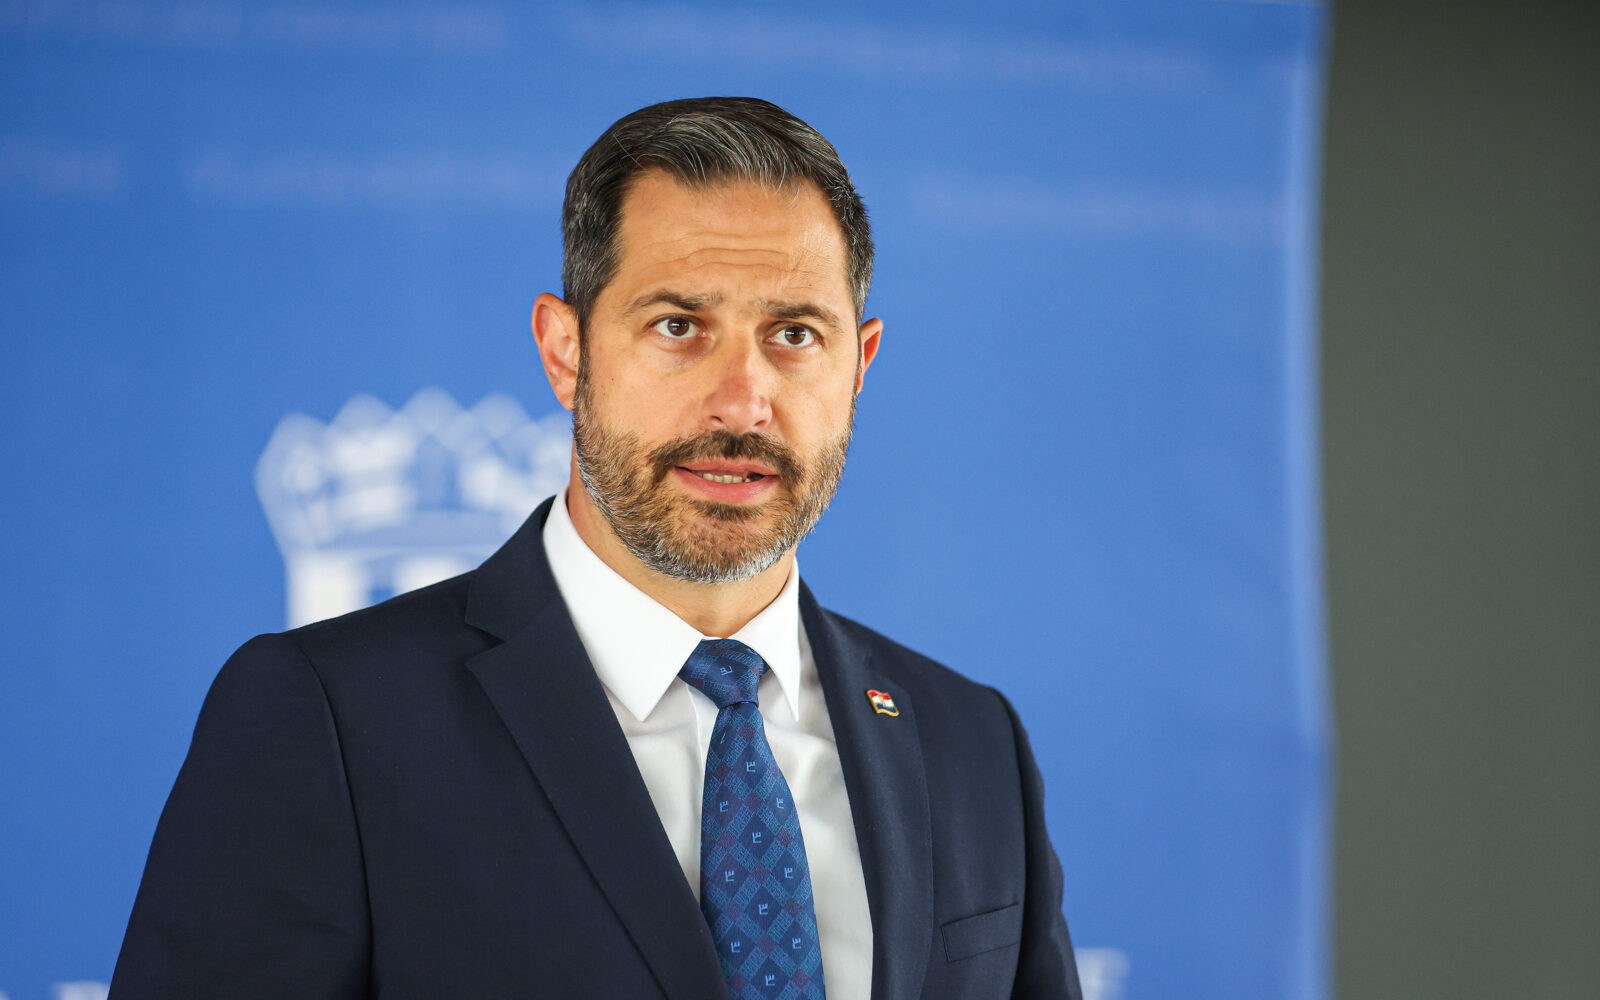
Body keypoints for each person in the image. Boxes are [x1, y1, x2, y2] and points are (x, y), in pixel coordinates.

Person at [110, 97, 1082, 1000]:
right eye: (678, 326)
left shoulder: (971, 742)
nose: (743, 403)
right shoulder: (328, 720)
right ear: (564, 350)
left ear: (859, 365)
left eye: (794, 334)